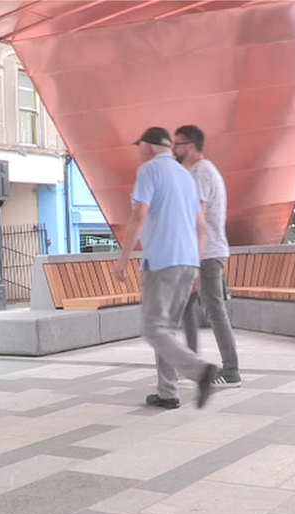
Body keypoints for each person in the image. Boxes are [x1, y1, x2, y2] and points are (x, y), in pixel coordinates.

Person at [114, 127, 218, 409]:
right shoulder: (187, 175)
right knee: (166, 330)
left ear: (147, 148)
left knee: (152, 328)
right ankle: (168, 393)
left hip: (163, 260)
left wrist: (123, 258)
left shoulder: (149, 171)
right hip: (187, 261)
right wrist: (195, 267)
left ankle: (200, 371)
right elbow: (201, 227)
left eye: (139, 147)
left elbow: (139, 215)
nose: (138, 153)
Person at [175, 125, 242, 388]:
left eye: (178, 144)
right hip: (208, 251)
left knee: (214, 310)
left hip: (206, 253)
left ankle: (232, 371)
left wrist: (194, 262)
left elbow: (197, 218)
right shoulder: (205, 170)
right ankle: (193, 367)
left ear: (189, 146)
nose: (174, 150)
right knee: (188, 306)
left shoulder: (200, 172)